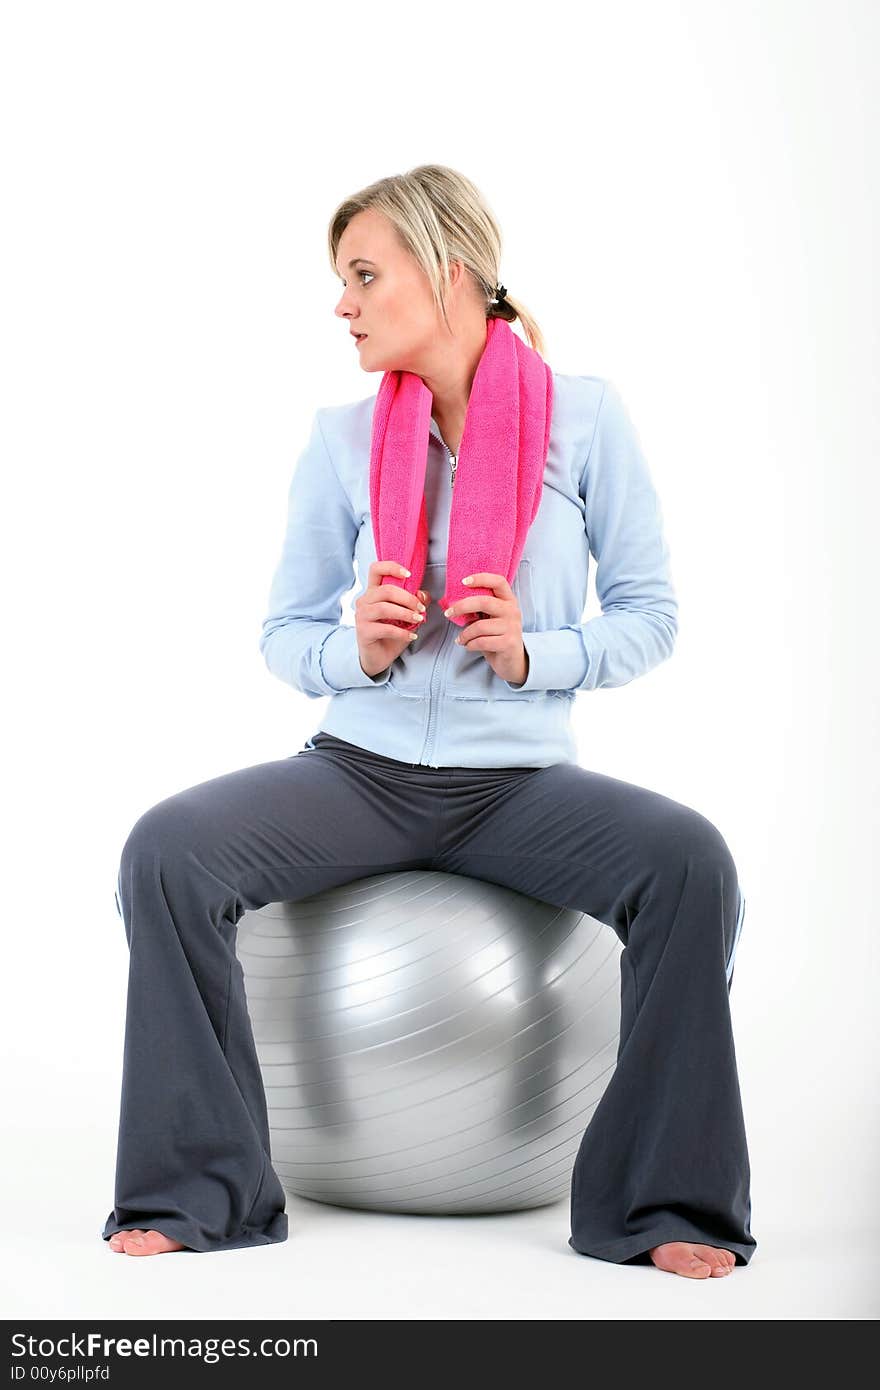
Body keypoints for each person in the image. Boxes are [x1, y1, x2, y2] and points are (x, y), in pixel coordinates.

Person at [102, 164, 755, 1279]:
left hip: (520, 787)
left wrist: (538, 651)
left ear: (448, 273)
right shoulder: (340, 437)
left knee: (688, 861)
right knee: (167, 850)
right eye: (339, 280)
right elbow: (283, 630)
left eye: (363, 275)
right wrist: (348, 648)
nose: (342, 304)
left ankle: (662, 1203)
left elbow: (651, 616)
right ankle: (201, 1188)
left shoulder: (585, 417)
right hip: (357, 771)